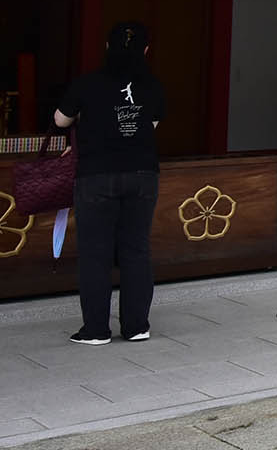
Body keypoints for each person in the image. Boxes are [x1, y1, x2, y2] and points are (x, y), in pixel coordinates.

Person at [54, 21, 164, 346]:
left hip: (96, 175)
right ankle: (136, 327)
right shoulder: (154, 86)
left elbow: (60, 119)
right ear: (146, 50)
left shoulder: (87, 83)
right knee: (136, 250)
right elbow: (150, 126)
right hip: (143, 174)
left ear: (106, 48)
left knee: (95, 252)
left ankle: (96, 330)